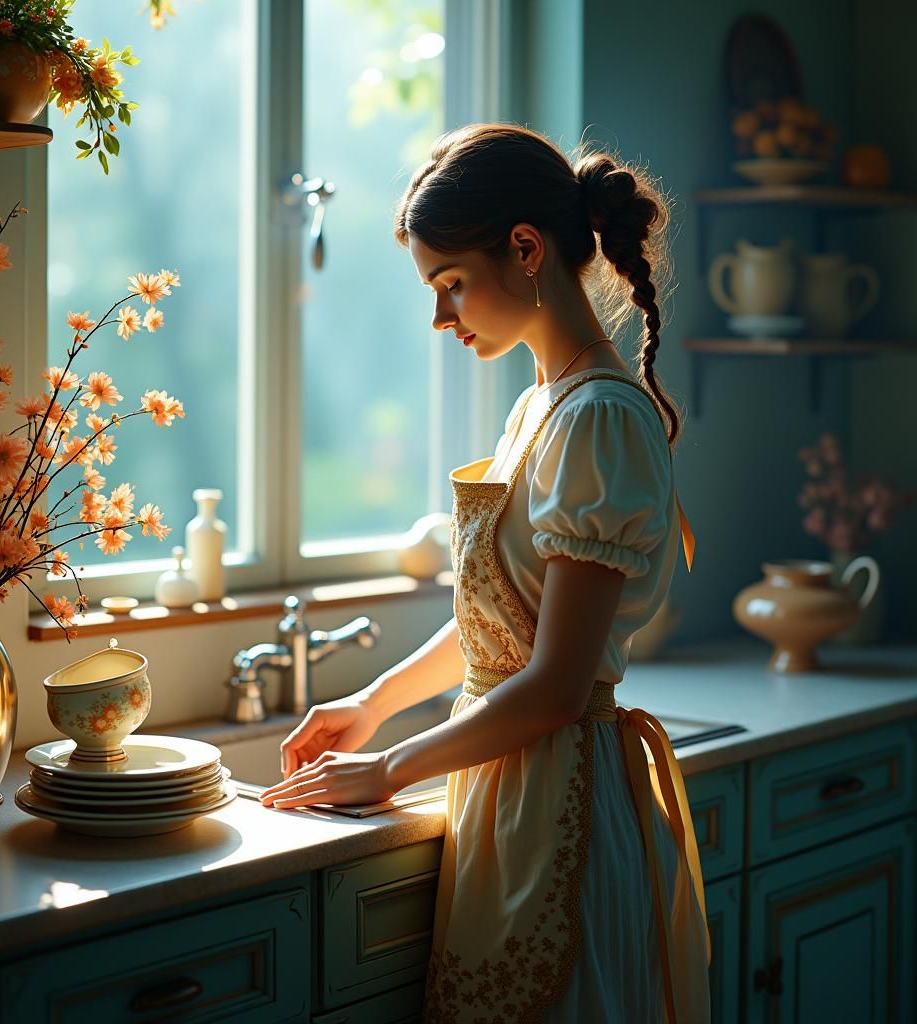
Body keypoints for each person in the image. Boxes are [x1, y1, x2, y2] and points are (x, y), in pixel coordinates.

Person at [259, 123, 711, 1023]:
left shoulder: (599, 421)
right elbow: (498, 625)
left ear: (527, 250)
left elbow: (552, 686)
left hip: (563, 801)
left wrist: (387, 769)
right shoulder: (541, 407)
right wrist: (371, 704)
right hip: (512, 795)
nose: (441, 318)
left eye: (450, 285)